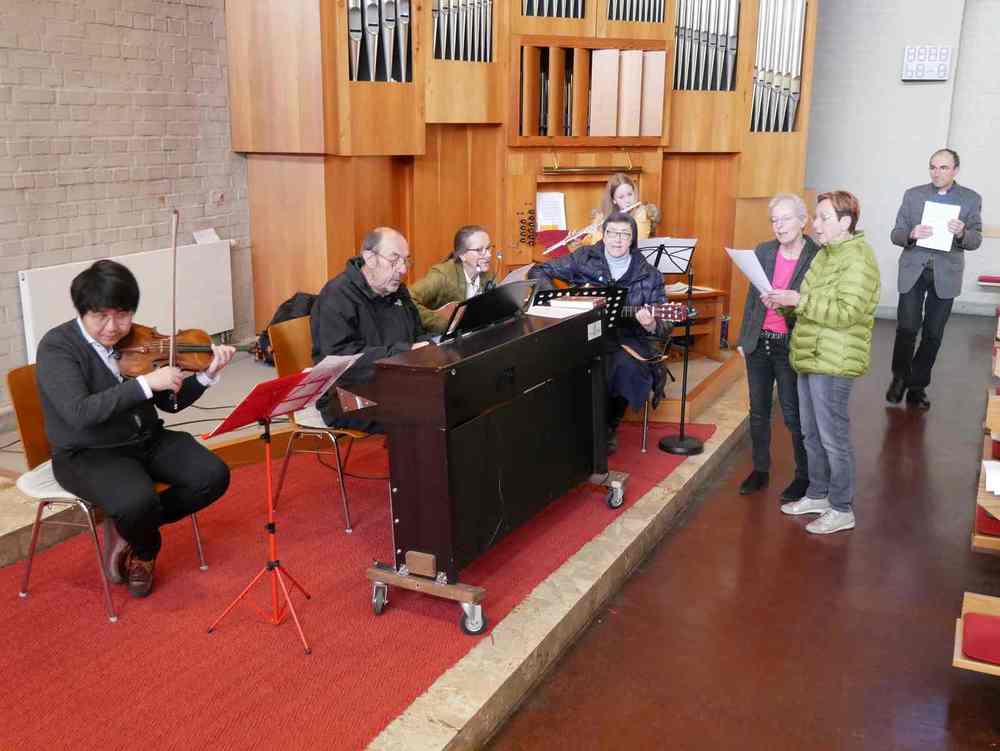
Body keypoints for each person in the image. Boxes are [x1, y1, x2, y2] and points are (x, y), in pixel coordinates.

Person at [35, 260, 235, 598]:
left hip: (146, 439)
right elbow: (80, 413)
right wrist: (144, 384)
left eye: (123, 315)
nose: (113, 327)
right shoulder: (57, 347)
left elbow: (169, 404)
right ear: (82, 311)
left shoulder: (138, 338)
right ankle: (145, 550)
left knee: (213, 476)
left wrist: (205, 376)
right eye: (101, 316)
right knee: (136, 502)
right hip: (89, 452)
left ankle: (129, 527)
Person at [763, 191, 879, 535]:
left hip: (835, 359)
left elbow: (846, 313)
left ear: (845, 222)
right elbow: (808, 306)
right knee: (810, 434)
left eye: (824, 218)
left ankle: (841, 508)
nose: (816, 224)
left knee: (833, 438)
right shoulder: (826, 254)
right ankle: (818, 494)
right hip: (810, 354)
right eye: (816, 217)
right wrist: (783, 304)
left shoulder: (859, 259)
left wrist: (798, 300)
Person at [529, 210, 671, 453]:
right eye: (612, 233)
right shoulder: (584, 257)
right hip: (583, 332)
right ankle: (569, 425)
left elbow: (665, 324)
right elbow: (538, 272)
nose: (617, 239)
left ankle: (608, 426)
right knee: (563, 361)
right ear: (603, 235)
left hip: (628, 338)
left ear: (632, 240)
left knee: (624, 367)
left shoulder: (649, 274)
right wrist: (564, 301)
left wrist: (651, 324)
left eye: (624, 234)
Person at [886, 148, 983, 410]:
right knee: (907, 327)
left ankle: (917, 386)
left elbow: (975, 240)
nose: (936, 172)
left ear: (955, 170)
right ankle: (899, 377)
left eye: (943, 167)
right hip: (914, 269)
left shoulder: (971, 199)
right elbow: (896, 233)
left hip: (946, 272)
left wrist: (962, 233)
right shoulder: (913, 195)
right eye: (932, 167)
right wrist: (911, 234)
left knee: (933, 333)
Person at [737, 193, 819, 501]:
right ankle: (760, 469)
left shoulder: (816, 255)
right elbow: (751, 299)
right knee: (757, 412)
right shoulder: (764, 250)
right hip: (759, 342)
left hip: (790, 344)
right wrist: (744, 338)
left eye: (785, 219)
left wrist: (786, 303)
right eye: (774, 220)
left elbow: (813, 304)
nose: (779, 226)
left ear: (803, 220)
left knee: (793, 414)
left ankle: (804, 475)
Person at [310, 227, 430, 431]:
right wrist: (404, 352)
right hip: (344, 395)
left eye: (406, 260)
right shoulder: (337, 295)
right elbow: (339, 362)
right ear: (370, 258)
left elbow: (418, 335)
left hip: (394, 382)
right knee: (426, 412)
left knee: (453, 397)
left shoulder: (398, 292)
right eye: (394, 259)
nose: (403, 269)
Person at [409, 225, 498, 333]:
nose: (488, 255)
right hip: (439, 337)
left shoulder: (489, 275)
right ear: (462, 255)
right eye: (479, 250)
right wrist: (443, 324)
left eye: (488, 248)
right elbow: (408, 300)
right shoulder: (442, 275)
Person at [579, 173, 660, 247]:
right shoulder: (602, 216)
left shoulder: (642, 214)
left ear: (634, 192)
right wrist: (580, 240)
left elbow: (632, 244)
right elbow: (591, 246)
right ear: (614, 200)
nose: (627, 200)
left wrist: (598, 233)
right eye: (621, 197)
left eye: (630, 194)